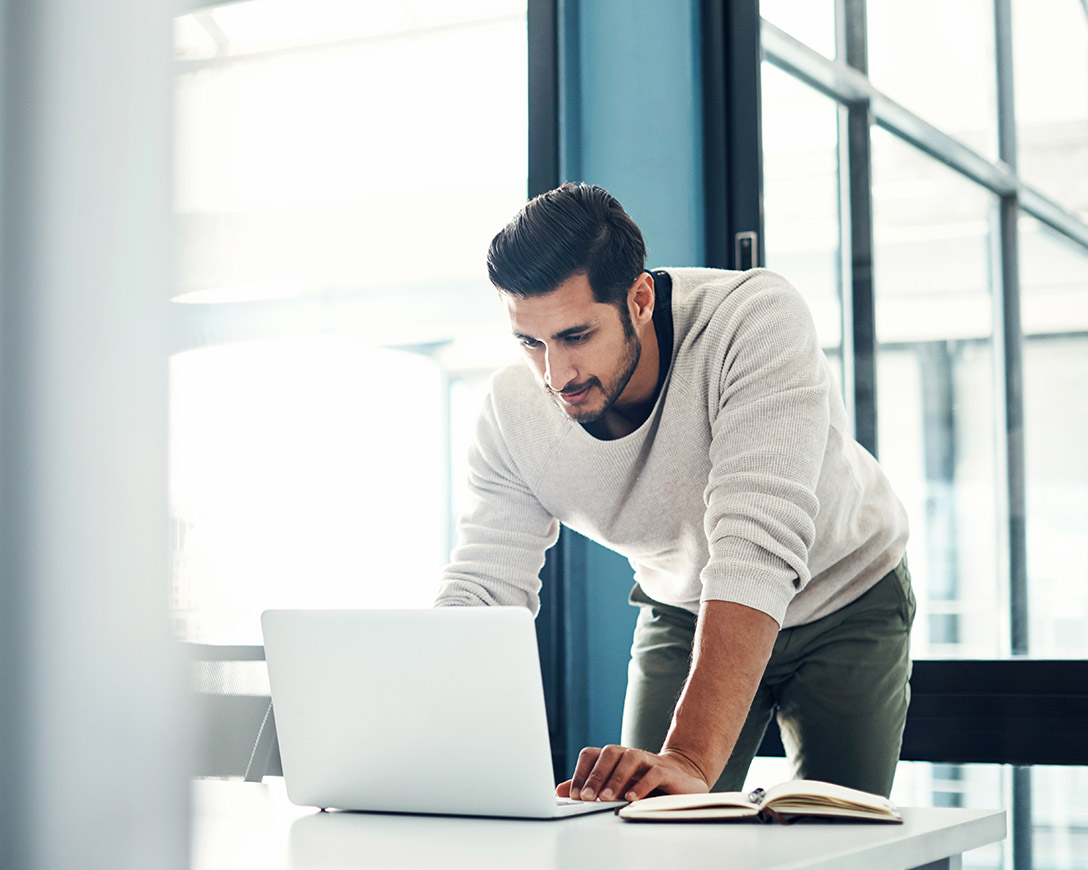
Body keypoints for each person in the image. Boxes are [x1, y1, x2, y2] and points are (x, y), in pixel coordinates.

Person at [435, 182, 914, 803]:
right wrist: (424, 733)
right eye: (531, 342)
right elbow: (484, 588)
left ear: (639, 298)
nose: (557, 376)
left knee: (840, 836)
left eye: (577, 336)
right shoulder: (512, 414)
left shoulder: (751, 320)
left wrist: (689, 754)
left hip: (845, 592)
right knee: (647, 826)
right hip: (686, 604)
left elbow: (755, 549)